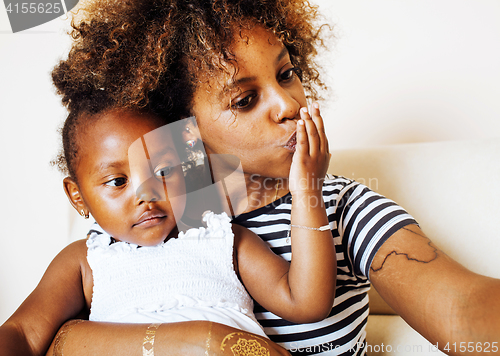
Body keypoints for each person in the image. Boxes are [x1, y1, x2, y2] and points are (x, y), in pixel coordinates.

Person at [5, 0, 500, 355]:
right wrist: (201, 342)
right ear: (178, 130)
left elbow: (465, 307)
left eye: (286, 74)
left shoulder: (337, 208)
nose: (290, 105)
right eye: (245, 99)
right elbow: (49, 335)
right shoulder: (136, 227)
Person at [0, 82, 337, 355]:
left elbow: (306, 301)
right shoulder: (84, 262)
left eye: (162, 171)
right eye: (118, 182)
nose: (147, 194)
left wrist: (308, 190)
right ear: (78, 197)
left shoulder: (222, 240)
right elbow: (25, 333)